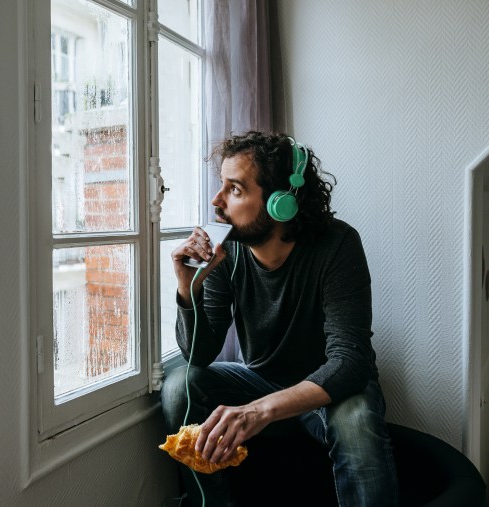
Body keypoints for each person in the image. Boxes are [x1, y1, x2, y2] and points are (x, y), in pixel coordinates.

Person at [161, 131, 398, 506]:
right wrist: (188, 289)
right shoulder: (229, 251)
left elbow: (350, 362)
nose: (216, 201)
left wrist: (260, 411)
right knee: (180, 385)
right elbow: (200, 354)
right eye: (221, 186)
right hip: (259, 379)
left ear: (280, 204)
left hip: (323, 391)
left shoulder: (337, 245)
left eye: (235, 190)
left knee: (354, 417)